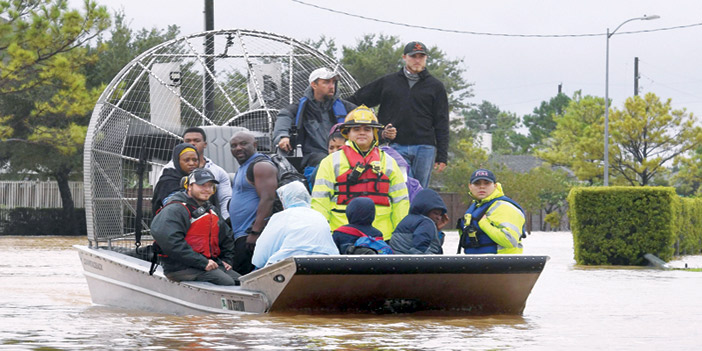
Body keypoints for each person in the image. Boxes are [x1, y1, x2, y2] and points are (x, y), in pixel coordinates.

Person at [347, 41, 449, 188]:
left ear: (426, 59)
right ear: (404, 57)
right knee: (401, 186)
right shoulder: (389, 82)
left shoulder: (436, 87)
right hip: (395, 145)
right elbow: (356, 101)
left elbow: (442, 122)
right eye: (413, 56)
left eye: (421, 56)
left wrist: (442, 156)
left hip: (425, 147)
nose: (417, 60)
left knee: (419, 191)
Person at [311, 105, 409, 240]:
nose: (362, 132)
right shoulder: (330, 162)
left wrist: (400, 235)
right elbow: (320, 200)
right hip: (341, 233)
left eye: (367, 129)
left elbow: (401, 201)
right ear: (348, 133)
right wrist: (321, 233)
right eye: (356, 129)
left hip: (382, 236)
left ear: (374, 133)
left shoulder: (389, 162)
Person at [150, 168, 240, 285]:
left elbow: (227, 237)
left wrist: (226, 260)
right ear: (189, 186)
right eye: (202, 185)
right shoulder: (176, 209)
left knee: (242, 281)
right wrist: (202, 262)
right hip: (181, 267)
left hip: (207, 263)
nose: (207, 189)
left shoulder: (211, 210)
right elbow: (170, 241)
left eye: (210, 186)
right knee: (228, 283)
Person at [272, 67, 356, 161]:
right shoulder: (301, 108)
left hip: (343, 157)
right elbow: (284, 116)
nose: (332, 86)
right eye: (326, 82)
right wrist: (282, 136)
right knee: (322, 160)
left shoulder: (348, 108)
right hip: (311, 160)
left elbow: (365, 120)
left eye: (333, 82)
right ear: (313, 85)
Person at [252, 181, 339, 268]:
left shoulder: (282, 217)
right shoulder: (319, 216)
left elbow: (259, 258)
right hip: (324, 267)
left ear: (285, 199)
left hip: (288, 268)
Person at [228, 131, 278, 274]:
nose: (238, 148)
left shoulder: (261, 165)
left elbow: (268, 198)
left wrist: (255, 232)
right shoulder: (243, 167)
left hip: (251, 236)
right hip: (241, 235)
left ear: (255, 145)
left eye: (243, 144)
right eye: (234, 145)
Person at [156, 127, 233, 220]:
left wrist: (224, 222)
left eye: (196, 140)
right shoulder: (168, 173)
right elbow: (169, 204)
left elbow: (225, 200)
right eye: (188, 140)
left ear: (205, 144)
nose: (192, 143)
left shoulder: (217, 172)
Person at [460, 169, 525, 254]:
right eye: (477, 183)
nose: (482, 187)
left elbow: (510, 240)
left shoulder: (504, 207)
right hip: (479, 263)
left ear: (495, 186)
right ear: (470, 186)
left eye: (486, 183)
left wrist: (484, 223)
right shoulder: (476, 207)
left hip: (502, 263)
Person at [390, 189, 449, 254]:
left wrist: (437, 230)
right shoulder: (426, 223)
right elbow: (420, 249)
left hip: (399, 259)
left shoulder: (408, 219)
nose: (439, 217)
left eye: (440, 215)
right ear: (426, 209)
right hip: (412, 262)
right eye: (435, 213)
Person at [152, 143, 199, 214]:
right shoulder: (167, 181)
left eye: (195, 160)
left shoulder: (200, 178)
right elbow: (173, 207)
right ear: (177, 161)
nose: (192, 163)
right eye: (187, 160)